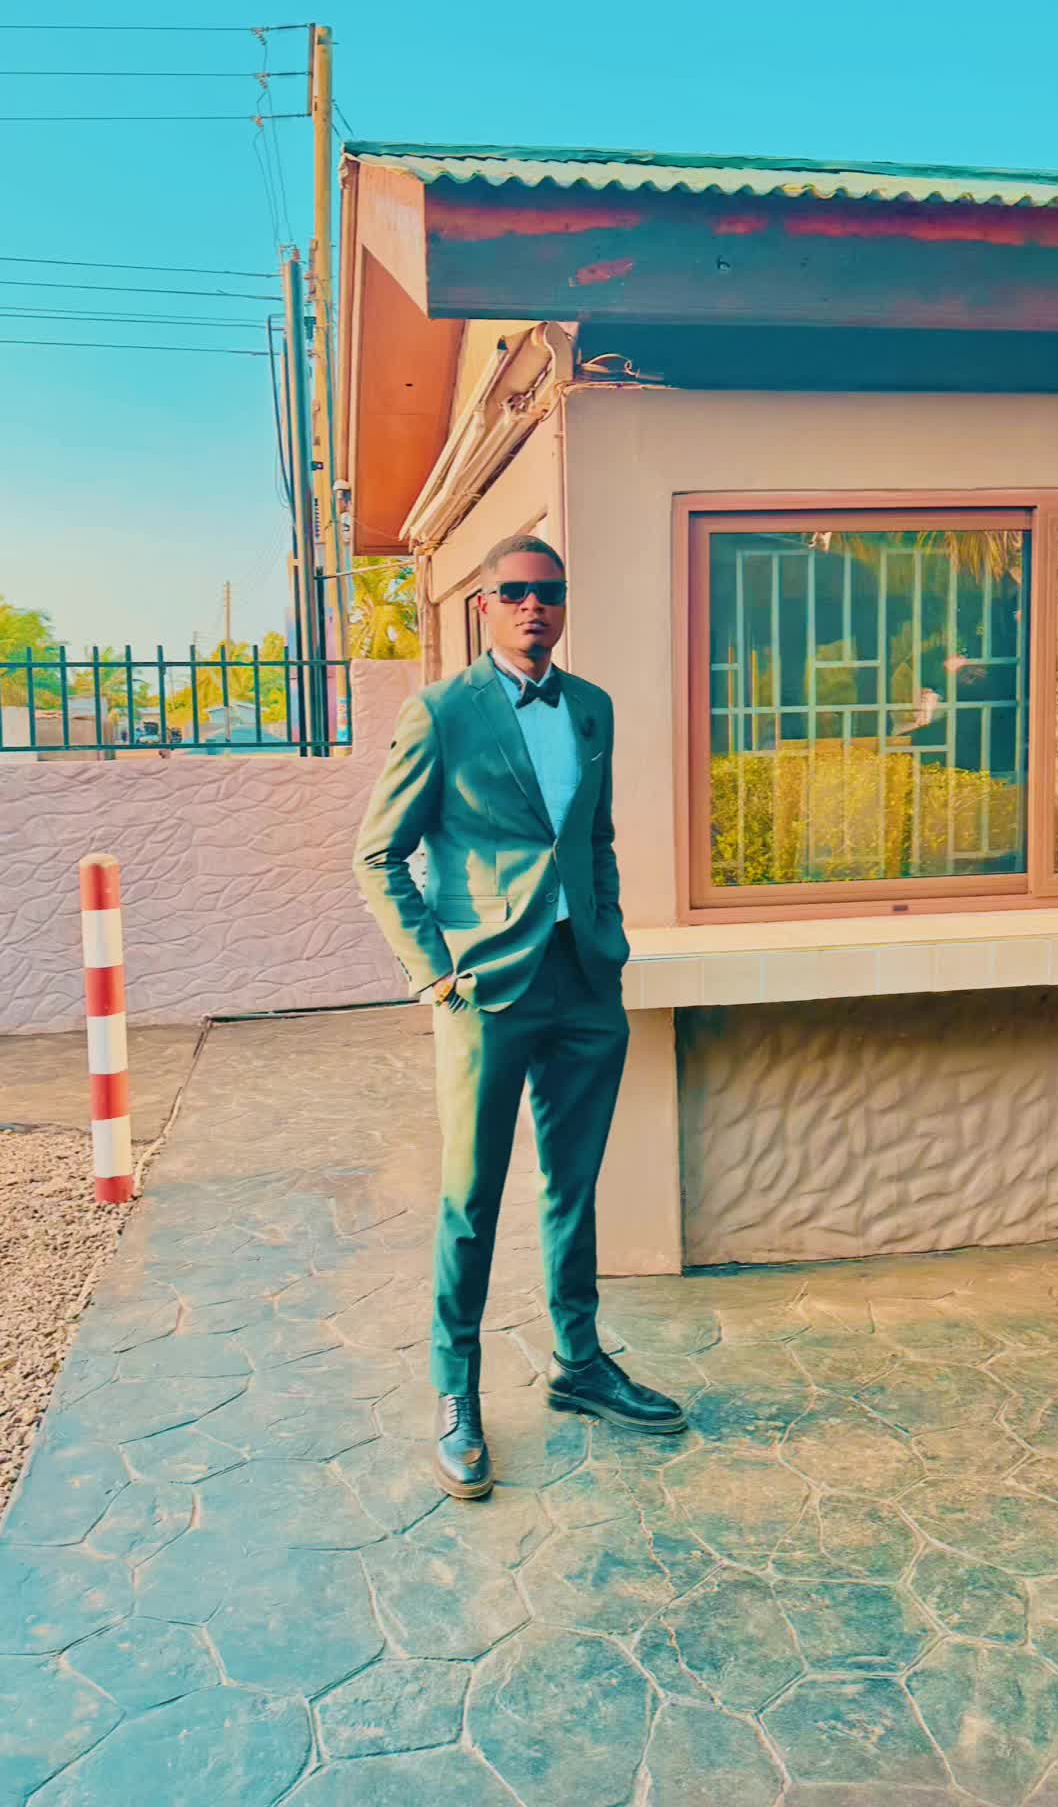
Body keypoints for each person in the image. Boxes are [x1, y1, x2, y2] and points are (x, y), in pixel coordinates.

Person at [354, 534, 685, 1499]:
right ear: (486, 608)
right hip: (485, 986)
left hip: (583, 981)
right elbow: (379, 855)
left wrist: (608, 936)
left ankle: (578, 1363)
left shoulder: (591, 707)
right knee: (472, 1196)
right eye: (513, 592)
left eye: (548, 591)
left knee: (573, 1186)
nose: (533, 605)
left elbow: (596, 838)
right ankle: (455, 1393)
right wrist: (434, 974)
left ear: (563, 603)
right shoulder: (441, 712)